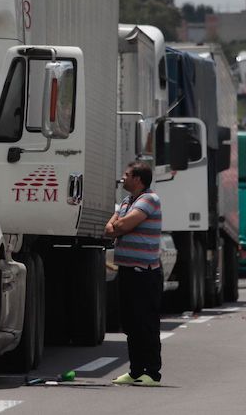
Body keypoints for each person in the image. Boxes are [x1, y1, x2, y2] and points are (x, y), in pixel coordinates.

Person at [106, 161, 163, 387]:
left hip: (144, 273)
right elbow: (110, 228)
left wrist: (118, 225)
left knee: (145, 323)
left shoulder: (149, 199)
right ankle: (135, 370)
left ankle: (152, 372)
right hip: (127, 270)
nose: (123, 179)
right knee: (130, 324)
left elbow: (119, 227)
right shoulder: (127, 201)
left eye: (127, 175)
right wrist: (117, 225)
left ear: (138, 179)